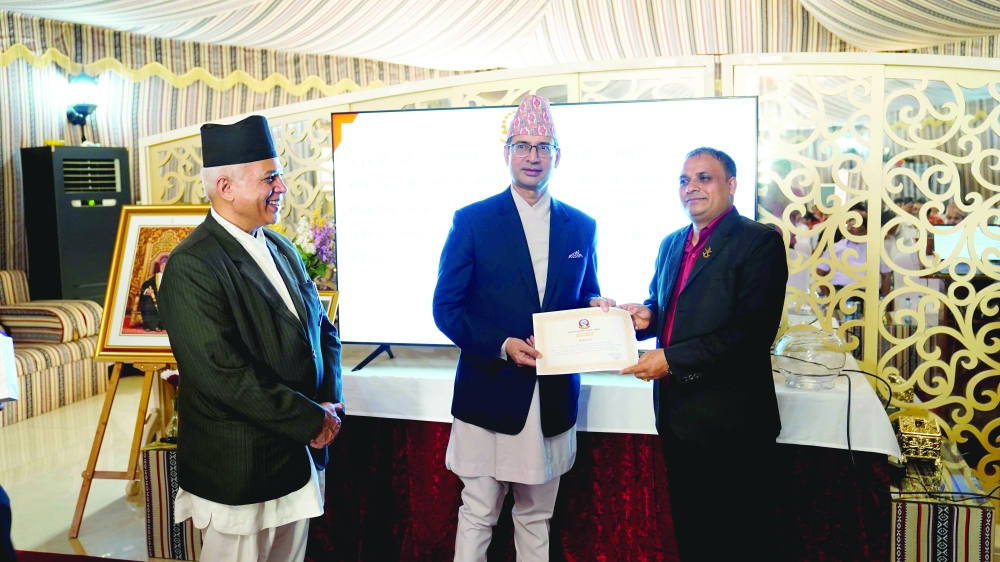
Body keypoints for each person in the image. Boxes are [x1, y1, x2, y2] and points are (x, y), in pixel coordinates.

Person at [432, 95, 610, 562]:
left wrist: (597, 307)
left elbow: (585, 292)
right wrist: (502, 344)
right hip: (491, 391)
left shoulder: (582, 226)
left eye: (543, 146)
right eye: (523, 145)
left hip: (551, 395)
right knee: (478, 511)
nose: (533, 156)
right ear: (506, 152)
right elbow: (446, 308)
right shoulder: (473, 221)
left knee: (536, 516)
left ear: (557, 155)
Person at [159, 115, 343, 562]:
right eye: (271, 178)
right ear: (226, 188)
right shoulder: (192, 265)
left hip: (297, 454)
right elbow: (222, 374)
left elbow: (323, 331)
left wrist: (328, 406)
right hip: (242, 465)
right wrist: (310, 419)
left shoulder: (279, 246)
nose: (282, 188)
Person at [617, 147, 787, 561]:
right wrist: (645, 316)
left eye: (704, 178)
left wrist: (671, 359)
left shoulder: (758, 242)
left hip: (732, 422)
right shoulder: (672, 243)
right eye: (684, 180)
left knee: (737, 538)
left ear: (731, 185)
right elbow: (669, 309)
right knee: (693, 533)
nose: (691, 187)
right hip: (678, 416)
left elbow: (750, 333)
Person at [137, 257, 166, 331]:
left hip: (166, 298)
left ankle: (160, 326)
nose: (163, 266)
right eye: (162, 264)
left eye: (166, 265)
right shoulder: (154, 277)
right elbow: (144, 286)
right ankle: (148, 325)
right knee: (147, 303)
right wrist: (147, 291)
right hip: (153, 297)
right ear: (159, 266)